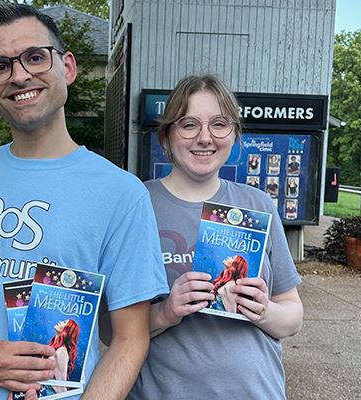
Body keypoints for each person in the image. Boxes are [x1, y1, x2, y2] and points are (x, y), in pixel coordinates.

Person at [0, 3, 168, 400]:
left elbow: (130, 339)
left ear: (67, 67)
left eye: (35, 57)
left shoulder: (121, 195)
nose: (19, 75)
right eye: (0, 65)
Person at [129, 74, 303, 399]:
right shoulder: (136, 205)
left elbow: (292, 316)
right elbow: (112, 330)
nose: (205, 138)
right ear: (166, 135)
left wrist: (264, 310)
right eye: (189, 124)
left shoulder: (258, 204)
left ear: (234, 134)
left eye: (219, 124)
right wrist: (166, 312)